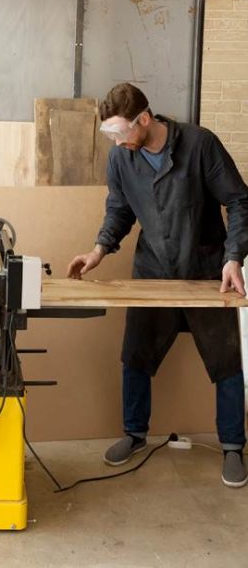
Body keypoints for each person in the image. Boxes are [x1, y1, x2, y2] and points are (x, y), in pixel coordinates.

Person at [67, 82, 248, 488]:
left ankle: (234, 446)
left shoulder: (200, 145)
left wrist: (234, 257)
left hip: (207, 271)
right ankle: (134, 434)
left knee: (226, 362)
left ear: (144, 119)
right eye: (109, 135)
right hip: (153, 270)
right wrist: (98, 251)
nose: (116, 142)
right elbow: (119, 209)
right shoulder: (121, 159)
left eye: (120, 132)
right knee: (136, 356)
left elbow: (239, 201)